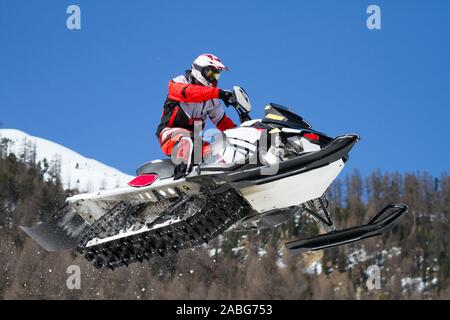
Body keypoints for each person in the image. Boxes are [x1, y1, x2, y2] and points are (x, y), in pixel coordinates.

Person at [156, 54, 237, 177]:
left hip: (196, 140)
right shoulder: (179, 82)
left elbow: (222, 122)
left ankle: (224, 180)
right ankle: (182, 180)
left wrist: (243, 130)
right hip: (170, 135)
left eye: (216, 75)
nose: (213, 78)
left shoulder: (212, 99)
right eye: (210, 74)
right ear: (198, 70)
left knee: (216, 152)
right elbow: (189, 92)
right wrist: (218, 93)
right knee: (187, 141)